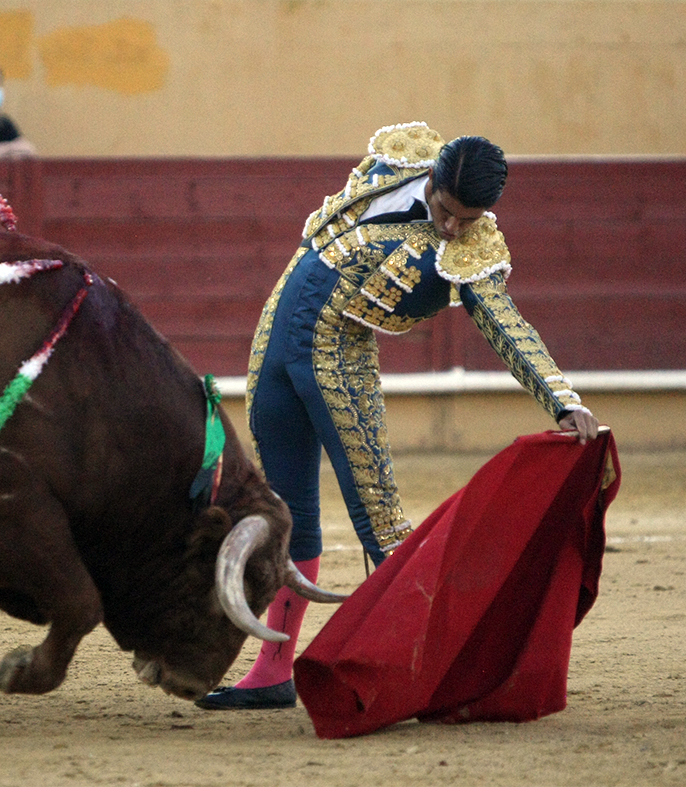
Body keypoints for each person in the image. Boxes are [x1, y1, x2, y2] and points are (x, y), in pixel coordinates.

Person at [196, 121, 600, 711]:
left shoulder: (473, 251)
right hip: (279, 330)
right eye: (446, 210)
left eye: (468, 218)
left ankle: (441, 672)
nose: (453, 227)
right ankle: (274, 672)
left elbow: (505, 325)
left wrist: (563, 399)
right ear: (432, 179)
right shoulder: (399, 160)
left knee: (380, 521)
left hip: (338, 356)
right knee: (285, 511)